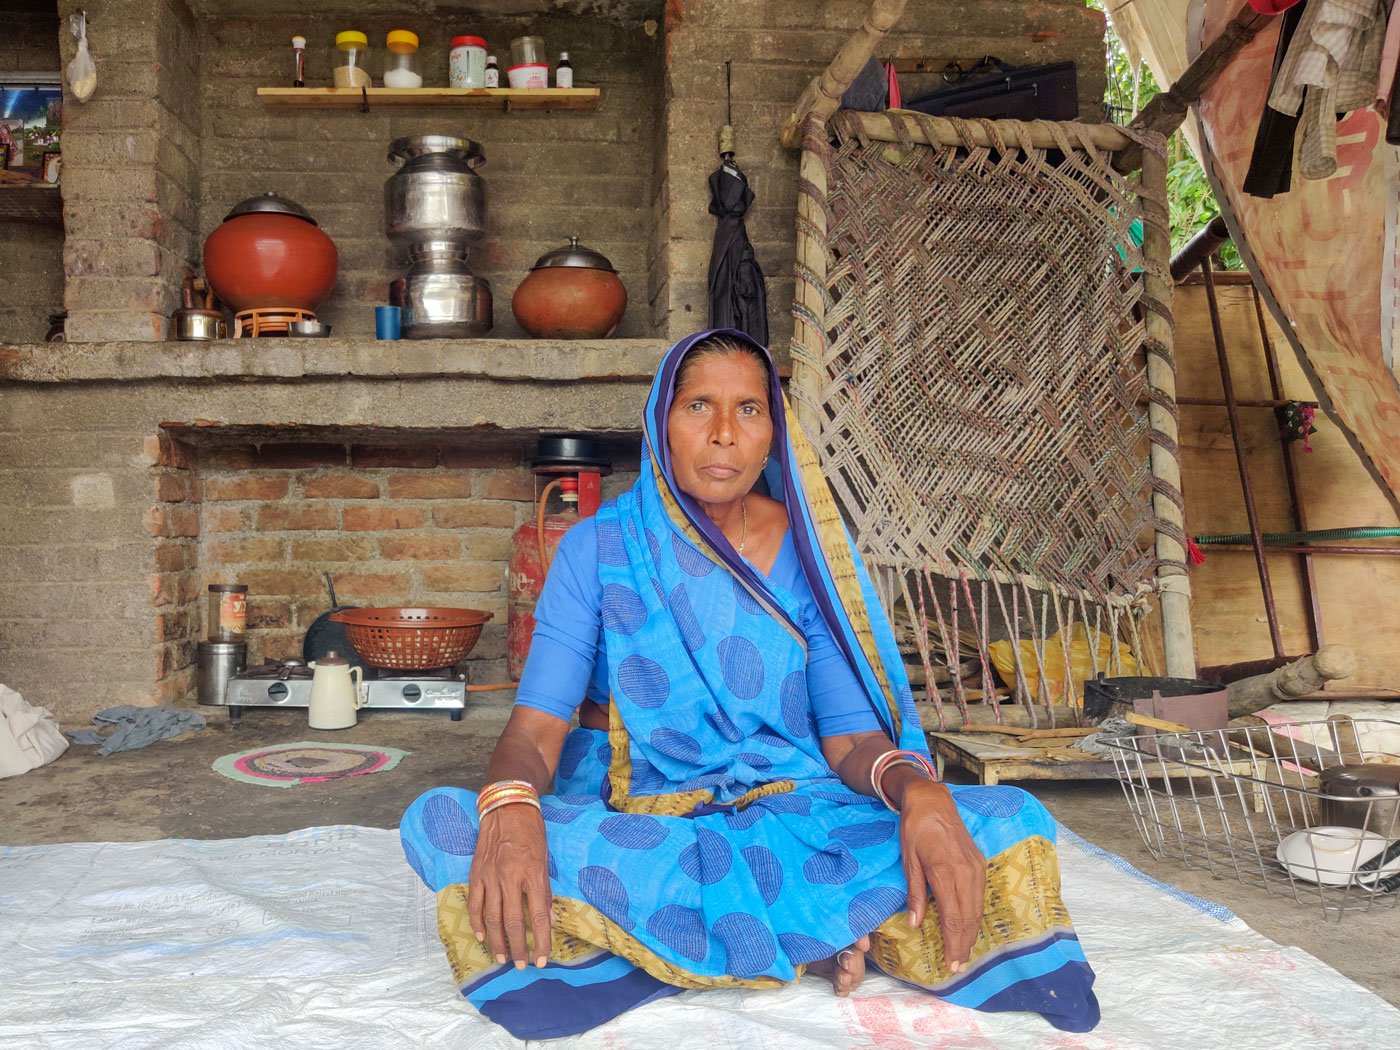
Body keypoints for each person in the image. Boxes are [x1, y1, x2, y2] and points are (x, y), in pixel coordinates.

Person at [401, 329, 1099, 1040]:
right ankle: (821, 933)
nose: (725, 434)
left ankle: (701, 943)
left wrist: (919, 792)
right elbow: (537, 728)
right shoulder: (599, 549)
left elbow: (851, 736)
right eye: (700, 406)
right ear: (660, 424)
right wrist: (513, 810)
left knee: (1007, 821)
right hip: (654, 823)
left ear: (774, 434)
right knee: (448, 824)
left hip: (805, 812)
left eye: (750, 410)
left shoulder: (812, 552)